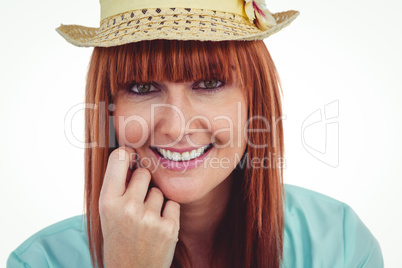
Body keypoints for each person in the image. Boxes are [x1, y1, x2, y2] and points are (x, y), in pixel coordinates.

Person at [7, 0, 384, 267]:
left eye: (209, 83)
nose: (175, 127)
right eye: (141, 88)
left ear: (255, 100)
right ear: (109, 108)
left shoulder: (341, 245)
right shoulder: (40, 261)